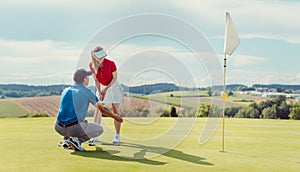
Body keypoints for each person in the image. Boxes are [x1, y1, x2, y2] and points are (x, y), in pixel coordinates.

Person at [54, 68, 123, 151]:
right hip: (74, 128)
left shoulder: (65, 90)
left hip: (58, 127)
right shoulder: (87, 92)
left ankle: (66, 140)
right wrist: (115, 117)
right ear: (84, 79)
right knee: (99, 129)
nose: (89, 79)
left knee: (70, 117)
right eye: (87, 77)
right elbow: (103, 109)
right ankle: (77, 141)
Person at [89, 46, 123, 145]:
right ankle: (95, 135)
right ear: (94, 56)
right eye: (99, 57)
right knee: (99, 109)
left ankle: (117, 136)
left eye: (103, 56)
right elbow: (96, 80)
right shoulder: (91, 65)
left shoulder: (111, 63)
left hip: (113, 86)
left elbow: (114, 78)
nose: (102, 58)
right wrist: (99, 91)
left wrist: (106, 89)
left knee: (115, 109)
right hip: (101, 87)